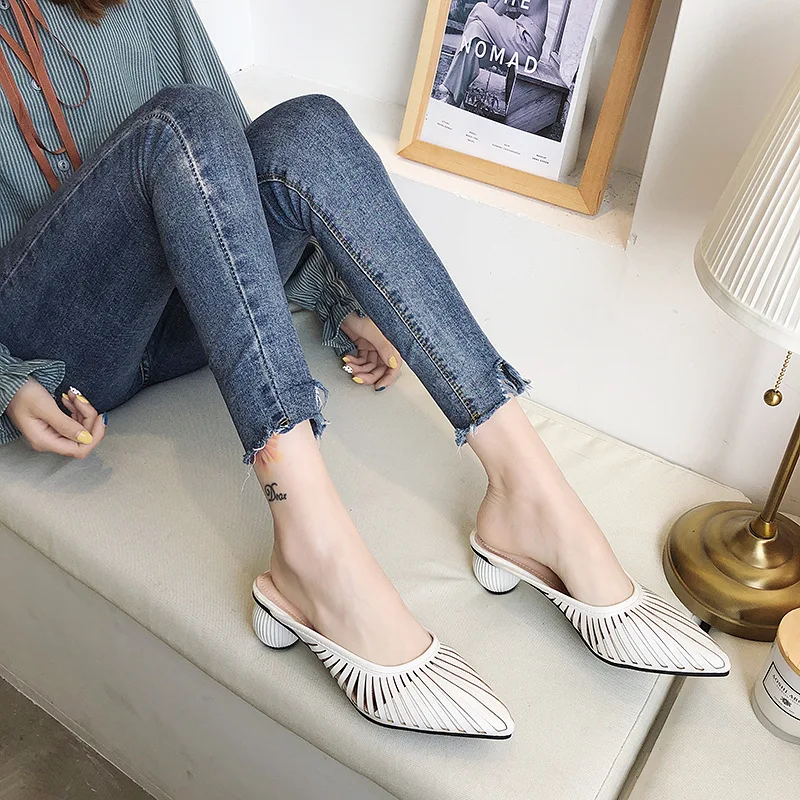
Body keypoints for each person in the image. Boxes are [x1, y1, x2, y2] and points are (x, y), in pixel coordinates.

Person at [0, 0, 729, 739]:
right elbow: (185, 139)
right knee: (179, 120)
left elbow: (230, 170)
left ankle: (527, 490)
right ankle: (310, 551)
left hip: (192, 314)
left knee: (303, 126)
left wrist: (336, 291)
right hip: (62, 355)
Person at [439, 0, 549, 107]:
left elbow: (497, 9)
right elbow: (496, 7)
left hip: (528, 43)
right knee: (476, 30)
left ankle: (452, 82)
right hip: (522, 38)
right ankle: (453, 99)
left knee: (480, 8)